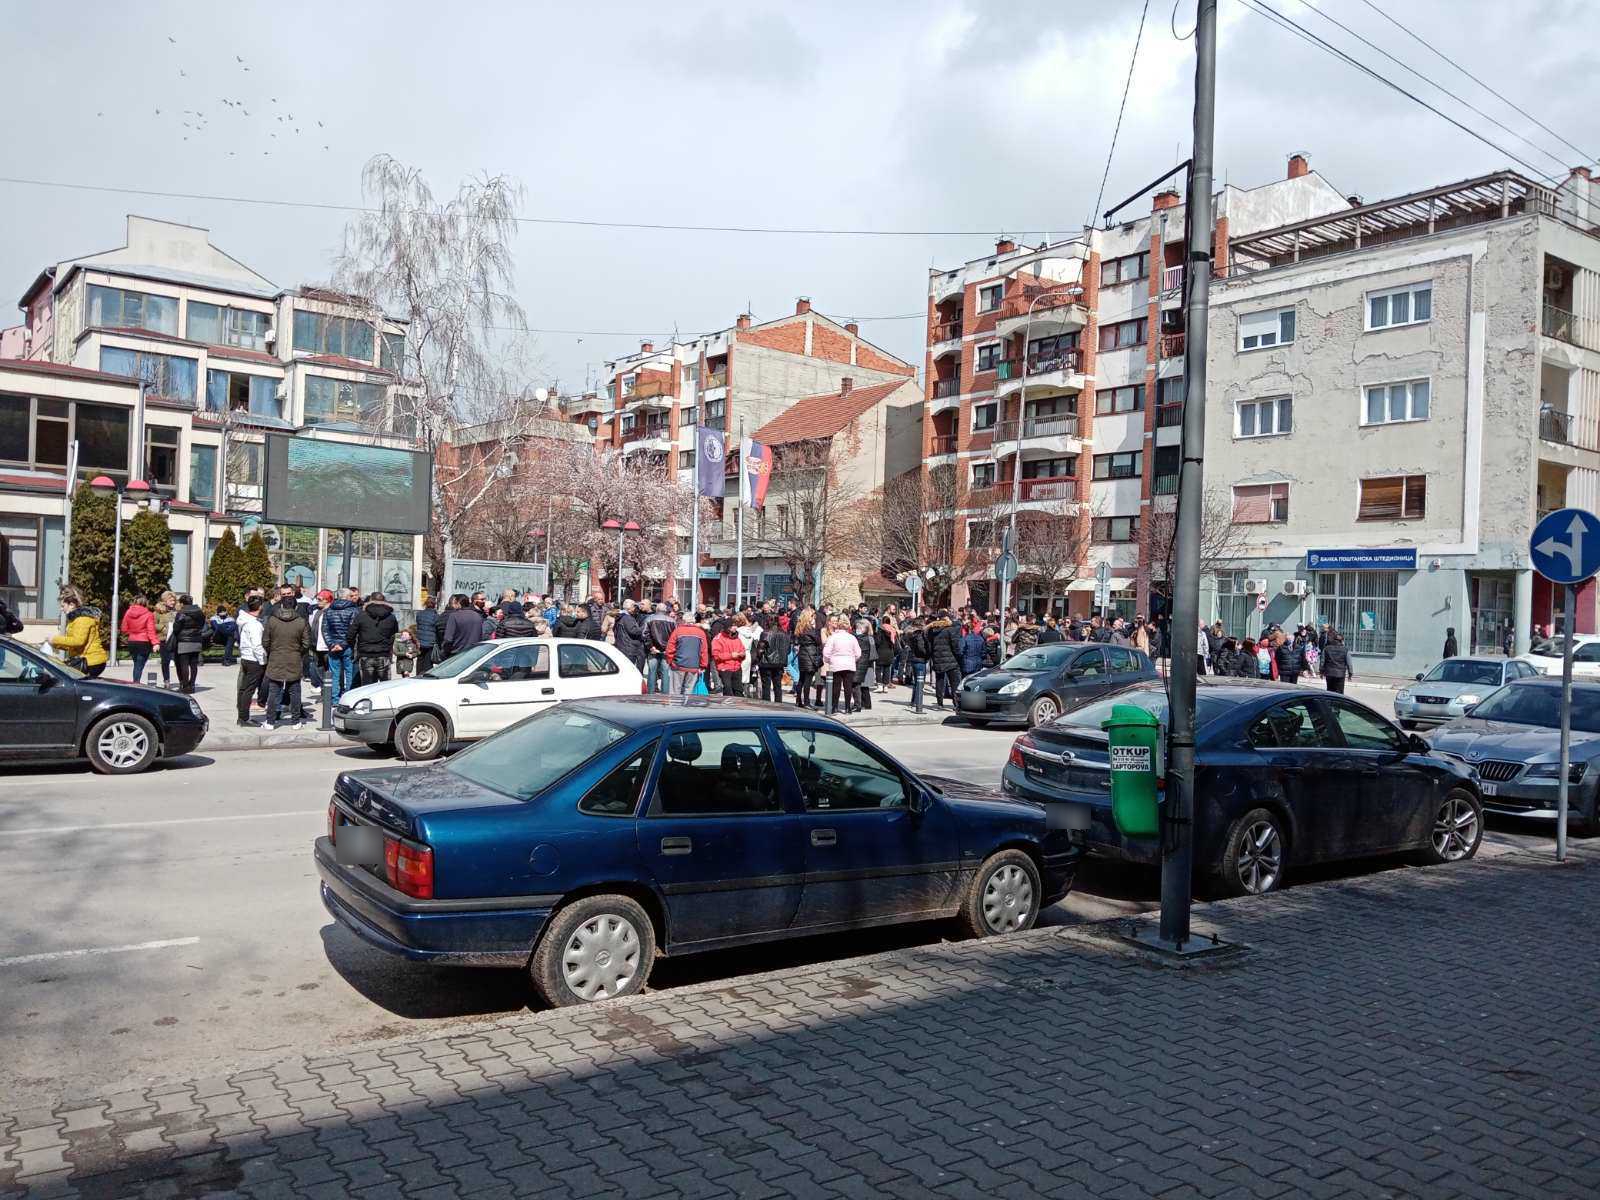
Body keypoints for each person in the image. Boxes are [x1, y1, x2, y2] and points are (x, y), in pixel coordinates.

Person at [259, 593, 311, 730]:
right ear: (296, 606)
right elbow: (306, 643)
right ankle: (295, 721)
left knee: (274, 691)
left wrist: (272, 651)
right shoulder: (301, 621)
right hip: (294, 658)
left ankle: (270, 721)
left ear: (281, 605)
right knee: (295, 691)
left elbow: (265, 641)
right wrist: (297, 652)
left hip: (276, 657)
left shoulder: (272, 620)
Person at [51, 588, 108, 677]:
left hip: (91, 662)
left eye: (63, 606)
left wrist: (55, 639)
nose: (61, 609)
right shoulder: (75, 619)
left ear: (72, 605)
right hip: (86, 660)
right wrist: (55, 644)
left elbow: (78, 641)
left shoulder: (82, 619)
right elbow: (72, 644)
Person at [322, 586, 362, 703]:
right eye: (351, 596)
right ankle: (348, 698)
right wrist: (343, 644)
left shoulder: (329, 610)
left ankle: (334, 699)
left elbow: (325, 629)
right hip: (348, 646)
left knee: (334, 673)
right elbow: (352, 630)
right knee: (349, 673)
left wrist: (331, 644)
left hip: (333, 646)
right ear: (347, 597)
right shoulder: (353, 610)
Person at [351, 591, 400, 686]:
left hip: (366, 653)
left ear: (370, 601)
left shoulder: (362, 615)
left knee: (367, 685)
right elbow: (394, 633)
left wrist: (355, 648)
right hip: (383, 653)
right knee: (384, 686)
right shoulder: (391, 617)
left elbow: (351, 634)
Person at [235, 597, 266, 726]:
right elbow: (257, 645)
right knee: (248, 690)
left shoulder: (245, 620)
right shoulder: (254, 624)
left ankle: (242, 716)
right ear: (259, 607)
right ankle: (244, 718)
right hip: (254, 660)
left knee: (244, 688)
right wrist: (263, 660)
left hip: (246, 658)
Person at [822, 617, 861, 715]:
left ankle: (834, 707)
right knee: (848, 686)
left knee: (836, 686)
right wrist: (853, 659)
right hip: (849, 664)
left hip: (836, 664)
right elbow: (858, 653)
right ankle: (848, 708)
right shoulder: (852, 638)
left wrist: (829, 660)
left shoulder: (833, 637)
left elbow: (826, 652)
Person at [664, 611, 709, 694]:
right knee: (689, 690)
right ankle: (686, 706)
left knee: (675, 691)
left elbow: (670, 648)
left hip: (678, 665)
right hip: (694, 666)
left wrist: (670, 661)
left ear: (684, 621)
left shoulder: (677, 631)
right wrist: (703, 665)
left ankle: (675, 705)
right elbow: (704, 651)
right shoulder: (701, 633)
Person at [169, 593, 206, 694]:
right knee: (193, 664)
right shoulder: (199, 613)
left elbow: (176, 629)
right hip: (196, 640)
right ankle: (192, 685)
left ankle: (185, 686)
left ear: (182, 603)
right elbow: (202, 625)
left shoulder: (181, 613)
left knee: (184, 664)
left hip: (184, 641)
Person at [927, 611, 962, 709]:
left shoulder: (932, 630)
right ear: (947, 618)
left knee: (939, 681)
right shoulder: (951, 630)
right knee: (954, 682)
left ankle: (939, 703)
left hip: (938, 659)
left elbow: (929, 645)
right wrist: (959, 657)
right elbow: (955, 646)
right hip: (951, 660)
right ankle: (956, 704)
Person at [120, 594, 157, 684]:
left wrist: (131, 632)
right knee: (139, 665)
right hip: (144, 642)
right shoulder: (149, 614)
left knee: (136, 664)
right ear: (145, 603)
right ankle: (136, 683)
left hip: (132, 640)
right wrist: (155, 643)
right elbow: (150, 630)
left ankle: (136, 682)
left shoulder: (128, 612)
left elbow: (124, 628)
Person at [756, 615, 791, 703]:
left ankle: (766, 704)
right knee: (777, 685)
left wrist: (758, 658)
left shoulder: (765, 633)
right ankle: (778, 704)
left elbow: (760, 648)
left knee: (766, 686)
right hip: (779, 663)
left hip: (766, 662)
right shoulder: (784, 634)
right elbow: (788, 649)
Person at [439, 592, 484, 659]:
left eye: (455, 603)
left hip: (457, 655)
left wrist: (444, 653)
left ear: (459, 603)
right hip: (474, 654)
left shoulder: (454, 616)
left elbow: (448, 639)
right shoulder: (478, 616)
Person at [642, 602, 675, 693]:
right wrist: (670, 649)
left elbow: (644, 634)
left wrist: (650, 646)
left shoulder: (649, 619)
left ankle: (651, 693)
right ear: (665, 610)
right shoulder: (672, 621)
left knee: (652, 672)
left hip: (653, 650)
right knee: (665, 672)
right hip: (666, 650)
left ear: (656, 610)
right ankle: (665, 694)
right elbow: (675, 637)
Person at [792, 610, 823, 709]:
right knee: (807, 681)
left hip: (803, 655)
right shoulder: (810, 630)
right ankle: (806, 702)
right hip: (810, 656)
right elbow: (818, 641)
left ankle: (798, 701)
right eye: (813, 617)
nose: (814, 618)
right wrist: (815, 628)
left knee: (802, 679)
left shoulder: (800, 628)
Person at [711, 620, 746, 696]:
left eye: (735, 626)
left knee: (738, 691)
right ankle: (728, 707)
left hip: (737, 667)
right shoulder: (718, 638)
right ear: (727, 627)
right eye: (732, 626)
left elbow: (742, 649)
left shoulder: (737, 638)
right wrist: (731, 655)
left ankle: (738, 706)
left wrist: (742, 655)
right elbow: (716, 655)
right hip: (725, 668)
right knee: (728, 690)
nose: (735, 628)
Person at [905, 617, 932, 714]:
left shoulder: (911, 634)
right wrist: (927, 653)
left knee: (916, 682)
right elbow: (921, 648)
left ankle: (914, 701)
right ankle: (917, 702)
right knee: (920, 682)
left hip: (913, 658)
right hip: (920, 659)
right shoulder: (920, 635)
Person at [613, 599, 646, 671]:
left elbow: (614, 630)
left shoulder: (620, 616)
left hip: (622, 646)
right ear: (629, 608)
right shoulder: (627, 618)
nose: (635, 608)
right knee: (628, 670)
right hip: (628, 648)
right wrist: (644, 627)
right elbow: (634, 631)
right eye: (634, 606)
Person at [153, 592, 177, 687]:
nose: (173, 602)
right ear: (165, 600)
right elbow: (153, 624)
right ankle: (166, 680)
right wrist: (162, 628)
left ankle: (182, 680)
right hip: (163, 639)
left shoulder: (176, 611)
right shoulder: (158, 611)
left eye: (174, 600)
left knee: (178, 661)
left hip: (175, 638)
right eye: (170, 600)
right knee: (165, 661)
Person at [414, 597, 441, 673]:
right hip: (430, 642)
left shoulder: (419, 614)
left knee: (420, 660)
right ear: (434, 605)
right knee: (428, 662)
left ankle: (418, 675)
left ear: (425, 604)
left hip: (420, 641)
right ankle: (426, 677)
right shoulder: (436, 616)